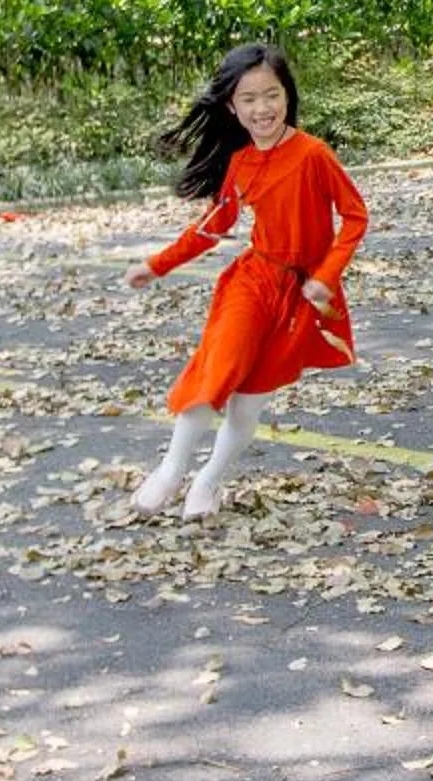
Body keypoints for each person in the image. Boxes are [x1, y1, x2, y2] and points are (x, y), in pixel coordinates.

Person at [123, 41, 368, 517]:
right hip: (252, 282)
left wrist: (325, 275)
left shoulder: (314, 154)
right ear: (232, 107)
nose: (262, 108)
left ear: (288, 96)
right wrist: (157, 265)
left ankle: (208, 484)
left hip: (299, 296)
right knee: (217, 372)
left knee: (248, 403)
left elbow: (355, 217)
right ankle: (171, 471)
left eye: (271, 95)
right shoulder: (239, 163)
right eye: (249, 99)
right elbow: (212, 227)